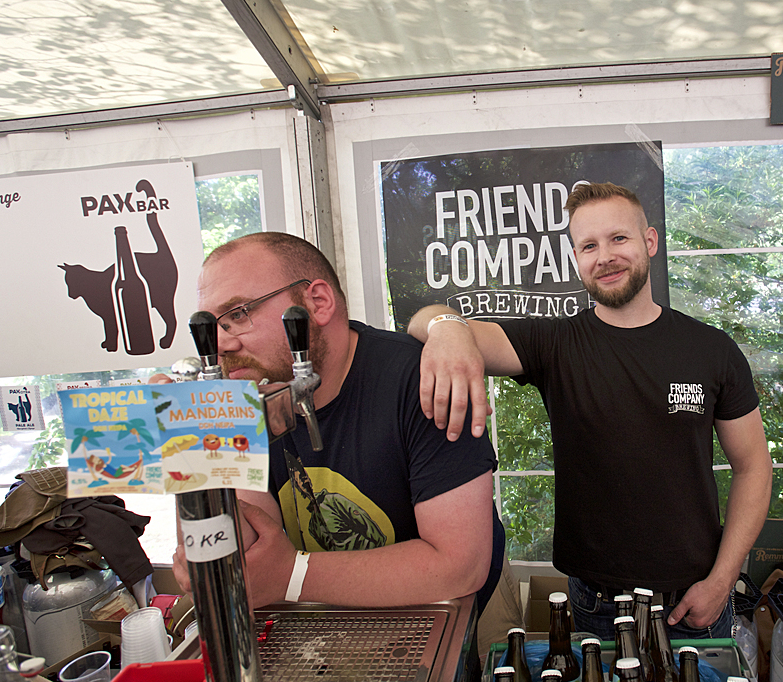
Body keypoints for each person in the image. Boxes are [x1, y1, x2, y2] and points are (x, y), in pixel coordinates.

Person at [408, 182, 773, 642]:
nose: (605, 257)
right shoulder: (554, 344)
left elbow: (753, 466)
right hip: (596, 603)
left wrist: (722, 580)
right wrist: (447, 329)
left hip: (694, 598)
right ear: (576, 258)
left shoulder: (711, 349)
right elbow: (422, 321)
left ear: (650, 241)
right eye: (589, 246)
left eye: (618, 238)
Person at [167, 232, 520, 650]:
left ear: (317, 303)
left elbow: (458, 566)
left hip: (459, 618)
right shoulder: (244, 403)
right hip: (328, 617)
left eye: (239, 314)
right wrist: (189, 446)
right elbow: (248, 554)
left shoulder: (421, 379)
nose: (221, 344)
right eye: (210, 326)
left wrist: (290, 574)